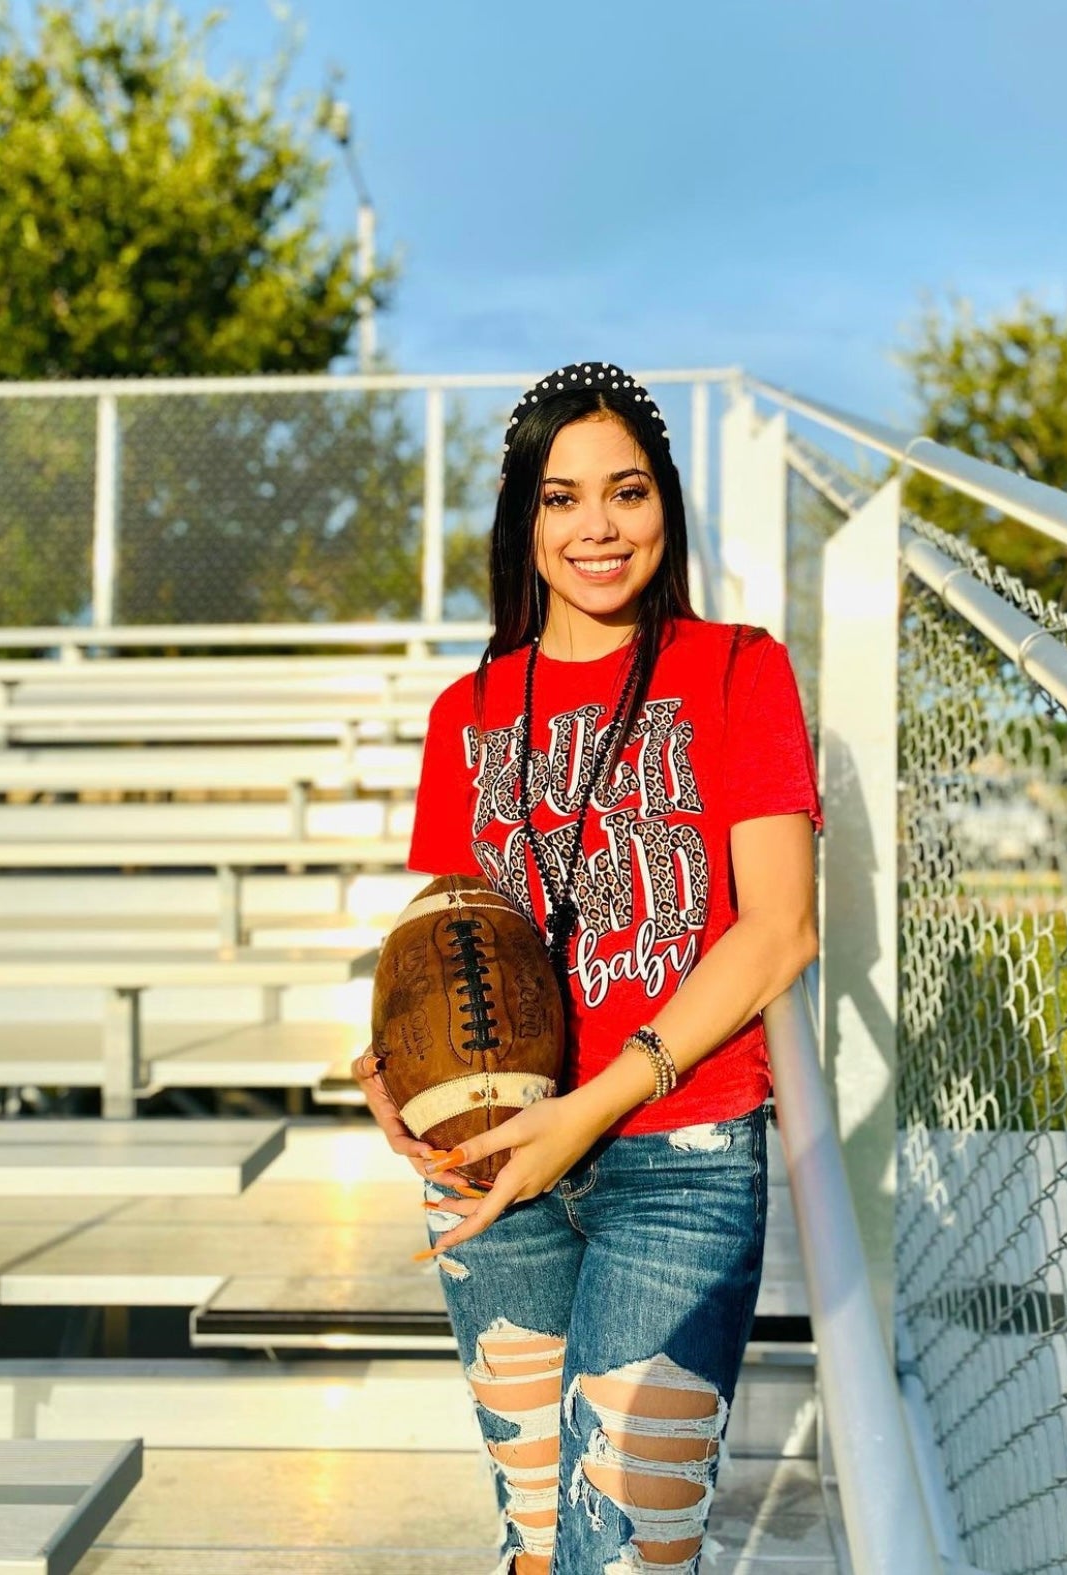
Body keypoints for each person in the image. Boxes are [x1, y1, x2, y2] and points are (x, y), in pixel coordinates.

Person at [355, 361, 822, 1574]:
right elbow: (447, 936)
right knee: (532, 1542)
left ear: (666, 504)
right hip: (494, 1160)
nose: (598, 527)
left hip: (678, 1160)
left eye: (627, 491)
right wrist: (392, 1069)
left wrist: (595, 1105)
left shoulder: (738, 668)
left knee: (619, 1553)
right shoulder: (467, 709)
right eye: (561, 499)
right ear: (525, 519)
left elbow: (781, 930)